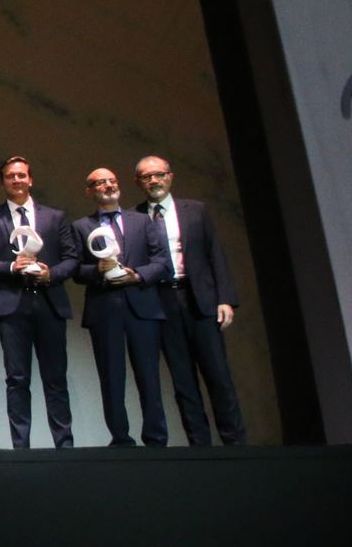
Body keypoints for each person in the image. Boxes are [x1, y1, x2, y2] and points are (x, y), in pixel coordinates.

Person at [133, 155, 247, 445]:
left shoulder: (195, 210)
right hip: (162, 302)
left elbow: (215, 254)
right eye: (147, 176)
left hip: (200, 299)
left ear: (170, 176)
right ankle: (200, 446)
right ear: (138, 182)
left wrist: (225, 299)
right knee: (182, 380)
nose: (154, 180)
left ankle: (235, 444)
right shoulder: (135, 217)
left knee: (218, 375)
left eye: (159, 174)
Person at [0, 156, 80, 449]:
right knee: (17, 380)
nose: (17, 180)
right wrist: (12, 266)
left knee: (55, 378)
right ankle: (21, 448)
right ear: (3, 182)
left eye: (21, 175)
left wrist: (50, 274)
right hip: (12, 306)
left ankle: (65, 446)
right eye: (10, 176)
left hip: (49, 303)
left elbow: (71, 258)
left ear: (30, 180)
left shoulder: (54, 217)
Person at [74, 167, 172, 447]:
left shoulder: (142, 221)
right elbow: (76, 270)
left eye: (112, 181)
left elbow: (161, 261)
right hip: (105, 309)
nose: (108, 186)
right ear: (89, 191)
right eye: (100, 183)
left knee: (149, 375)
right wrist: (97, 270)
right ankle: (120, 438)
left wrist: (137, 275)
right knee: (111, 377)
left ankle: (156, 438)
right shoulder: (81, 226)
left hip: (142, 305)